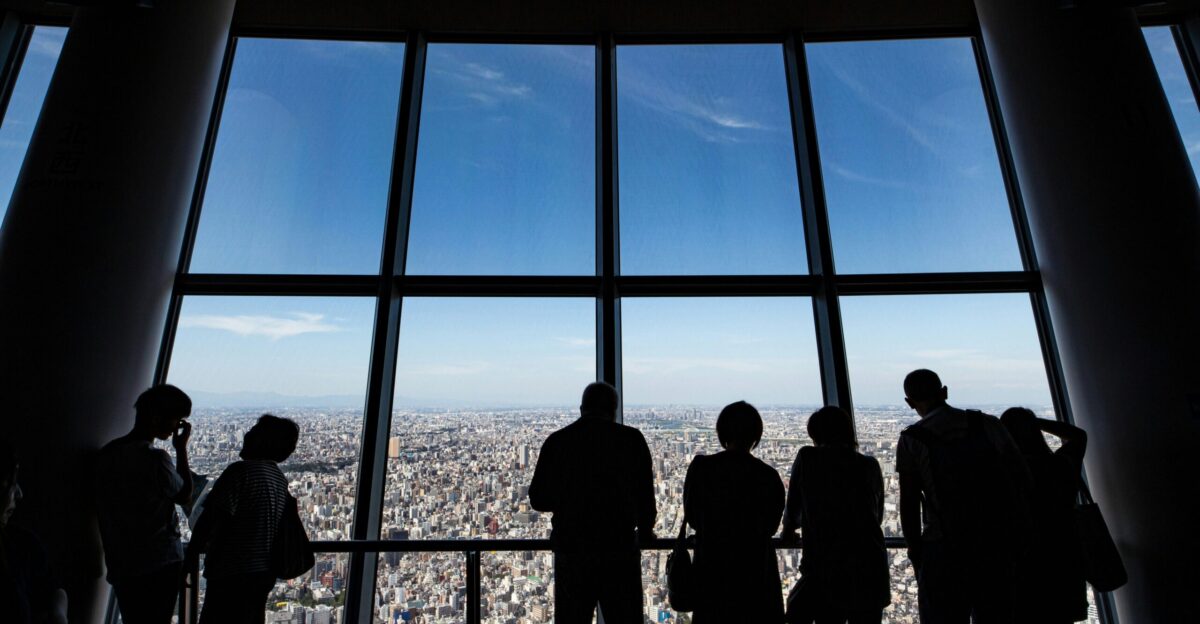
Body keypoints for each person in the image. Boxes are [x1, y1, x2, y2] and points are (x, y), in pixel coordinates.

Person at [897, 369, 1032, 624]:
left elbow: (909, 503)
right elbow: (1022, 478)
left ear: (909, 402)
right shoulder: (989, 424)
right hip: (994, 542)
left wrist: (916, 550)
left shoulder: (911, 440)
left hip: (943, 546)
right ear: (944, 392)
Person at [528, 382, 655, 624]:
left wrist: (569, 500)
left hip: (573, 552)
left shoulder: (558, 441)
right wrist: (646, 530)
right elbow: (645, 497)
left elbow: (538, 498)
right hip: (619, 552)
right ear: (614, 410)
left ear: (581, 408)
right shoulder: (631, 440)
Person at [187, 414, 299, 624]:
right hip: (263, 573)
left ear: (263, 441)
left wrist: (189, 558)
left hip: (231, 572)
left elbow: (212, 518)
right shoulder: (278, 477)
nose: (246, 435)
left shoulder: (240, 472)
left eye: (254, 431)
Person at [95, 384, 193, 624]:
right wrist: (181, 450)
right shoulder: (155, 459)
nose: (176, 427)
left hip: (122, 561)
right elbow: (184, 495)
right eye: (176, 419)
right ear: (156, 417)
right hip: (159, 560)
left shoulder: (107, 454)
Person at [782, 406, 888, 624]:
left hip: (826, 570)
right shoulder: (869, 465)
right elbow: (876, 516)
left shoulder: (808, 458)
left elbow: (794, 505)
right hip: (869, 568)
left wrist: (789, 528)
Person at [683, 401, 785, 623]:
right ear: (756, 435)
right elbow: (771, 526)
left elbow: (692, 517)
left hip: (712, 570)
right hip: (756, 572)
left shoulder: (702, 468)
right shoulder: (768, 476)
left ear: (722, 432)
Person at [1000, 407, 1088, 624]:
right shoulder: (1061, 465)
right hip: (1063, 557)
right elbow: (1078, 436)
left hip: (1023, 564)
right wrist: (1034, 422)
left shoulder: (1003, 475)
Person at [0, 441, 68, 624]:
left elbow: (54, 588)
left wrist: (59, 614)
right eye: (12, 484)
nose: (19, 494)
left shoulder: (22, 542)